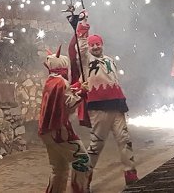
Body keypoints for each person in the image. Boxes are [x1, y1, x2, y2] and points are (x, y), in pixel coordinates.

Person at [69, 10, 138, 186]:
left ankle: (131, 174)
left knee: (125, 140)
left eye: (98, 44)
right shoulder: (86, 60)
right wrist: (83, 24)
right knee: (96, 145)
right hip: (98, 108)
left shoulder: (110, 60)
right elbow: (81, 46)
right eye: (93, 45)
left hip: (117, 106)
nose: (95, 47)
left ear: (102, 45)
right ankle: (83, 181)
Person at [38, 45, 92, 193]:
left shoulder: (51, 81)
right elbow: (69, 103)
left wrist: (78, 86)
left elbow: (65, 94)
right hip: (60, 132)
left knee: (59, 169)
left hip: (47, 131)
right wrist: (82, 92)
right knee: (82, 161)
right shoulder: (61, 83)